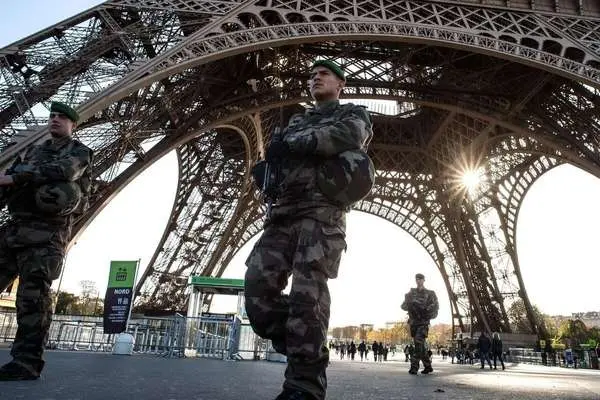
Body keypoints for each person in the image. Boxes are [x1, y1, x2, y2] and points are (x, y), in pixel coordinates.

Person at [244, 60, 373, 400]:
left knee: (307, 298)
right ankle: (307, 344)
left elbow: (350, 136)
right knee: (257, 290)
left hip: (321, 216)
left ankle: (304, 385)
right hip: (283, 213)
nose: (316, 77)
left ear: (341, 83)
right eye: (312, 74)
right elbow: (281, 159)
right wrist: (268, 170)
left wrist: (294, 144)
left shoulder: (352, 113)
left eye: (324, 73)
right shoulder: (296, 120)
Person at [0, 102, 93, 380]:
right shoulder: (32, 151)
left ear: (73, 124)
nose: (55, 119)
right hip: (15, 229)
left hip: (46, 234)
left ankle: (26, 363)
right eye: (52, 115)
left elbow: (66, 172)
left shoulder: (80, 151)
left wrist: (17, 177)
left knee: (33, 299)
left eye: (62, 117)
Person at [401, 273, 439, 375]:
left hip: (423, 322)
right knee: (421, 346)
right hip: (414, 323)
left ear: (424, 280)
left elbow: (435, 307)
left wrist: (426, 310)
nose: (418, 281)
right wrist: (410, 303)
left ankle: (414, 367)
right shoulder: (411, 293)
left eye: (420, 279)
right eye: (417, 279)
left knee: (418, 343)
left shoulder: (430, 293)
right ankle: (428, 366)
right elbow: (403, 306)